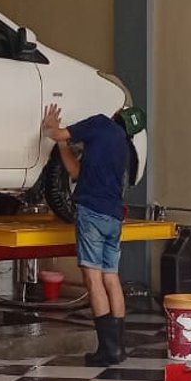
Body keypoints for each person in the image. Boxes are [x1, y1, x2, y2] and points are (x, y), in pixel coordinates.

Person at [42, 103, 137, 364]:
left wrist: (51, 127)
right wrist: (64, 147)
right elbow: (76, 172)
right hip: (114, 216)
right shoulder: (124, 148)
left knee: (93, 278)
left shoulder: (99, 124)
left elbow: (59, 134)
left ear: (116, 115)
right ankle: (118, 348)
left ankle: (107, 350)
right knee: (110, 277)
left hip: (91, 213)